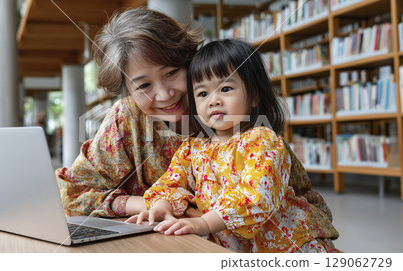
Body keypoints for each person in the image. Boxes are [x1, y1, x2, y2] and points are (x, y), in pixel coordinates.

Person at [127, 39, 340, 253]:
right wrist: (162, 206)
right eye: (202, 93)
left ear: (254, 95)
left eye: (226, 88)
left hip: (287, 247)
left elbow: (257, 196)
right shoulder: (192, 148)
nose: (213, 100)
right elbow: (172, 182)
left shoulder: (263, 141)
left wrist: (204, 224)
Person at [55, 7, 204, 218]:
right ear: (128, 91)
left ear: (188, 62)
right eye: (144, 86)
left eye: (171, 73)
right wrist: (151, 204)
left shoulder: (227, 104)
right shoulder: (126, 117)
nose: (164, 94)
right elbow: (72, 196)